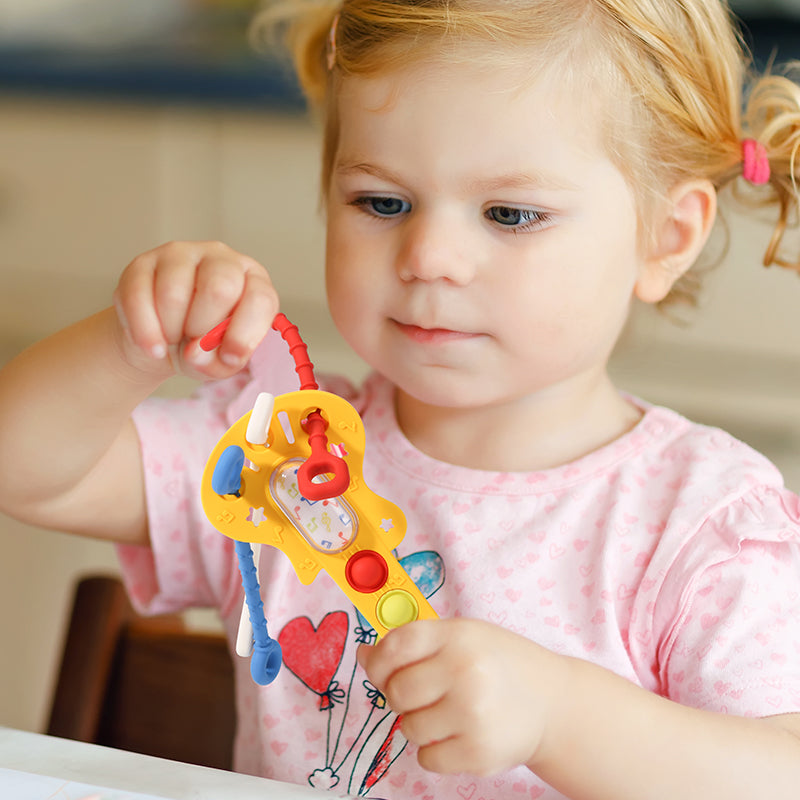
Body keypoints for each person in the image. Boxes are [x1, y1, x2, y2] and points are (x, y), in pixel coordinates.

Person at [1, 0, 800, 797]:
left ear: (665, 236)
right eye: (383, 202)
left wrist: (563, 717)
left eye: (509, 214)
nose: (431, 256)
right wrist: (130, 341)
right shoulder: (287, 463)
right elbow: (23, 467)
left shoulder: (697, 530)